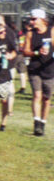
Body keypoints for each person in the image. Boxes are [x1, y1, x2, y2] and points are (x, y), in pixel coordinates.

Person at [23, 7, 54, 136]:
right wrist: (37, 52)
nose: (32, 21)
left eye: (34, 19)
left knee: (47, 99)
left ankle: (42, 123)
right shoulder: (30, 34)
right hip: (34, 69)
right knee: (37, 95)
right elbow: (25, 51)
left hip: (49, 69)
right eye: (31, 19)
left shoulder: (51, 31)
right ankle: (36, 124)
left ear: (42, 19)